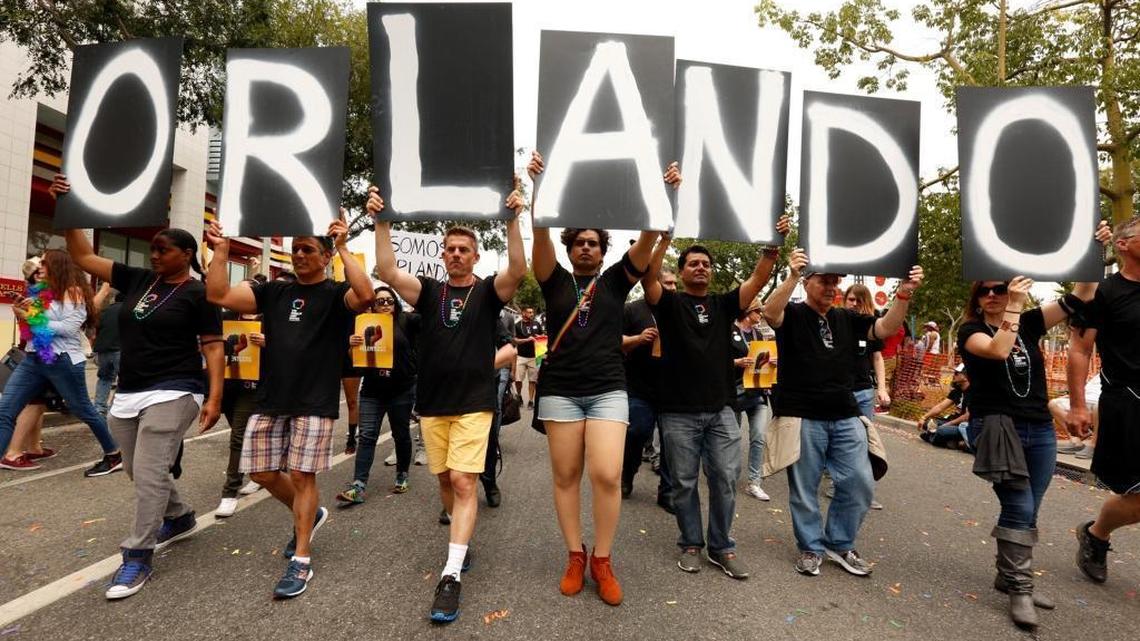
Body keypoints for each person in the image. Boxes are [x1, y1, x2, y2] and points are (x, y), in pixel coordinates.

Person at [55, 176, 225, 601]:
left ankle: (138, 553)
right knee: (136, 469)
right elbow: (82, 254)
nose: (154, 255)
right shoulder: (136, 279)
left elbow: (214, 347)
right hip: (129, 391)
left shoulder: (200, 294)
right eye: (152, 249)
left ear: (186, 255)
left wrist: (215, 396)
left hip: (176, 389)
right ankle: (180, 516)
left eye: (163, 250)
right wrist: (69, 208)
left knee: (149, 471)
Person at [528, 151, 679, 605]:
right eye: (580, 242)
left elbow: (649, 239)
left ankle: (603, 559)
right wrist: (538, 187)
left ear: (603, 248)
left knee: (608, 474)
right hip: (561, 392)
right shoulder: (552, 278)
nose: (587, 247)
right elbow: (538, 232)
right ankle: (575, 554)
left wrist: (664, 192)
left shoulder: (616, 280)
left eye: (594, 242)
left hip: (609, 389)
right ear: (570, 247)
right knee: (566, 476)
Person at [371, 181, 526, 623]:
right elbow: (386, 270)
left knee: (462, 481)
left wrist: (514, 218)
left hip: (475, 402)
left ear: (475, 257)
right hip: (433, 405)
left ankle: (452, 573)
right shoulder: (428, 291)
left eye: (464, 249)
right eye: (450, 249)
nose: (456, 254)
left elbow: (517, 269)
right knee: (445, 482)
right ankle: (463, 537)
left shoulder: (488, 293)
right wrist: (383, 219)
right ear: (443, 255)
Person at [205, 211, 374, 600]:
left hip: (314, 402)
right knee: (262, 473)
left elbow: (365, 295)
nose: (298, 255)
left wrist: (344, 247)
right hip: (271, 399)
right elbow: (218, 295)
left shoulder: (335, 294)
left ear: (324, 257)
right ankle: (309, 515)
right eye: (295, 249)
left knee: (302, 477)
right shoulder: (274, 291)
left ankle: (301, 559)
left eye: (307, 249)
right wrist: (221, 251)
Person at [763, 249, 922, 580]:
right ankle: (810, 548)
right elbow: (769, 312)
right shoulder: (791, 314)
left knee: (860, 481)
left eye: (835, 282)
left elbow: (886, 326)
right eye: (824, 281)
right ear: (808, 283)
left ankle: (840, 542)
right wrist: (791, 274)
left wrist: (904, 293)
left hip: (846, 414)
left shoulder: (848, 319)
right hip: (801, 414)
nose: (831, 287)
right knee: (805, 488)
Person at [957, 267, 1101, 629]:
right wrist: (1016, 304)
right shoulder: (970, 331)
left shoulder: (1032, 322)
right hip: (996, 427)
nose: (993, 295)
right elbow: (998, 349)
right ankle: (1020, 587)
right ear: (977, 299)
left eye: (1001, 289)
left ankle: (1006, 576)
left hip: (1038, 426)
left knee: (1029, 507)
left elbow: (1081, 295)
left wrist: (1093, 255)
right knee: (1018, 505)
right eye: (985, 291)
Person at [642, 218, 784, 580]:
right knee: (685, 481)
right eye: (693, 263)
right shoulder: (668, 304)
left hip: (721, 410)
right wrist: (663, 240)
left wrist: (770, 249)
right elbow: (649, 276)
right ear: (682, 270)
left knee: (724, 477)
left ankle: (721, 546)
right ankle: (691, 542)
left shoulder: (724, 305)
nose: (701, 267)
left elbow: (756, 282)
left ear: (712, 272)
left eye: (706, 264)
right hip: (677, 412)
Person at [0, 248, 122, 477]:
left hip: (63, 361)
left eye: (45, 263)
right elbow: (35, 327)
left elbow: (67, 329)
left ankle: (113, 453)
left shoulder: (74, 293)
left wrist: (33, 318)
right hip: (34, 359)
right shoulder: (40, 292)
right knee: (5, 410)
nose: (40, 267)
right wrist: (25, 311)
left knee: (83, 410)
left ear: (57, 266)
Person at [1070, 215, 1140, 586]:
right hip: (1126, 402)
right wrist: (1079, 406)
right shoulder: (1104, 293)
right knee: (1137, 496)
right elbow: (1080, 349)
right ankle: (1097, 534)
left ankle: (1096, 534)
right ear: (1124, 244)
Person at [337, 286, 420, 504]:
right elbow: (354, 358)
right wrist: (352, 345)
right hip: (372, 390)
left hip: (401, 389)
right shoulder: (365, 325)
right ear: (373, 305)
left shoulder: (407, 321)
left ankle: (402, 474)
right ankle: (358, 484)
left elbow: (428, 325)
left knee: (400, 435)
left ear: (396, 302)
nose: (384, 305)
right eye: (380, 301)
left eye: (389, 300)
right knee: (366, 436)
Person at [622, 257, 677, 513]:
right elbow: (615, 340)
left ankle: (667, 492)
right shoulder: (632, 310)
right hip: (638, 387)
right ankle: (627, 474)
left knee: (671, 442)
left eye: (675, 283)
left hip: (672, 390)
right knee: (636, 433)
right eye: (667, 283)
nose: (673, 288)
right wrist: (637, 339)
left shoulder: (679, 309)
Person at [214, 297, 264, 518]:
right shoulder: (225, 318)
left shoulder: (269, 320)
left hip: (253, 387)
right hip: (226, 384)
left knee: (238, 436)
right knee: (243, 436)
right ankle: (258, 472)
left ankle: (229, 492)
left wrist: (268, 342)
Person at [842, 284, 888, 510]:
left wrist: (882, 388)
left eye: (858, 301)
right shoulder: (837, 322)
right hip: (840, 392)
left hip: (863, 391)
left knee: (865, 441)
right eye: (850, 299)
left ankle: (864, 490)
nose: (853, 304)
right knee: (840, 440)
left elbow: (877, 358)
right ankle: (837, 484)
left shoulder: (872, 326)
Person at [730, 298, 773, 502]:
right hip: (734, 392)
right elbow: (714, 358)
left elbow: (762, 363)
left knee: (758, 437)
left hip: (757, 393)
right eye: (758, 312)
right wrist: (736, 362)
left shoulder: (760, 334)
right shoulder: (729, 330)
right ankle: (727, 473)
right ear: (748, 312)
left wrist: (771, 362)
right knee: (732, 437)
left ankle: (754, 482)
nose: (761, 315)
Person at [917, 364, 973, 451]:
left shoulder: (974, 393)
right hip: (952, 421)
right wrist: (924, 417)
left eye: (956, 373)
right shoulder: (956, 391)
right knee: (927, 423)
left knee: (941, 431)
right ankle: (953, 441)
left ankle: (934, 437)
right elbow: (940, 407)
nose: (953, 375)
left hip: (964, 426)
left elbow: (967, 416)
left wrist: (947, 425)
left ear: (965, 376)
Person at [91, 282, 123, 417]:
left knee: (104, 378)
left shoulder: (105, 311)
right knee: (125, 380)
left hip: (102, 350)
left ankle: (99, 407)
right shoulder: (129, 311)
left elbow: (95, 331)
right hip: (120, 350)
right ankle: (114, 408)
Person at [1049, 375, 1100, 458]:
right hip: (1085, 401)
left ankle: (1094, 445)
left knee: (1099, 406)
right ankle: (1076, 439)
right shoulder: (1099, 374)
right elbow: (1086, 390)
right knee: (1053, 404)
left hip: (1101, 402)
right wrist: (1073, 398)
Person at [513, 306, 543, 407]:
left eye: (532, 312)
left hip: (533, 357)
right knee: (518, 380)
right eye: (529, 312)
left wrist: (539, 338)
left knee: (532, 380)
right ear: (523, 313)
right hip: (521, 356)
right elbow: (514, 340)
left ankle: (530, 400)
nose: (532, 314)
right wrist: (526, 340)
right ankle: (519, 395)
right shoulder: (517, 325)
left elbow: (542, 338)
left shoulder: (536, 324)